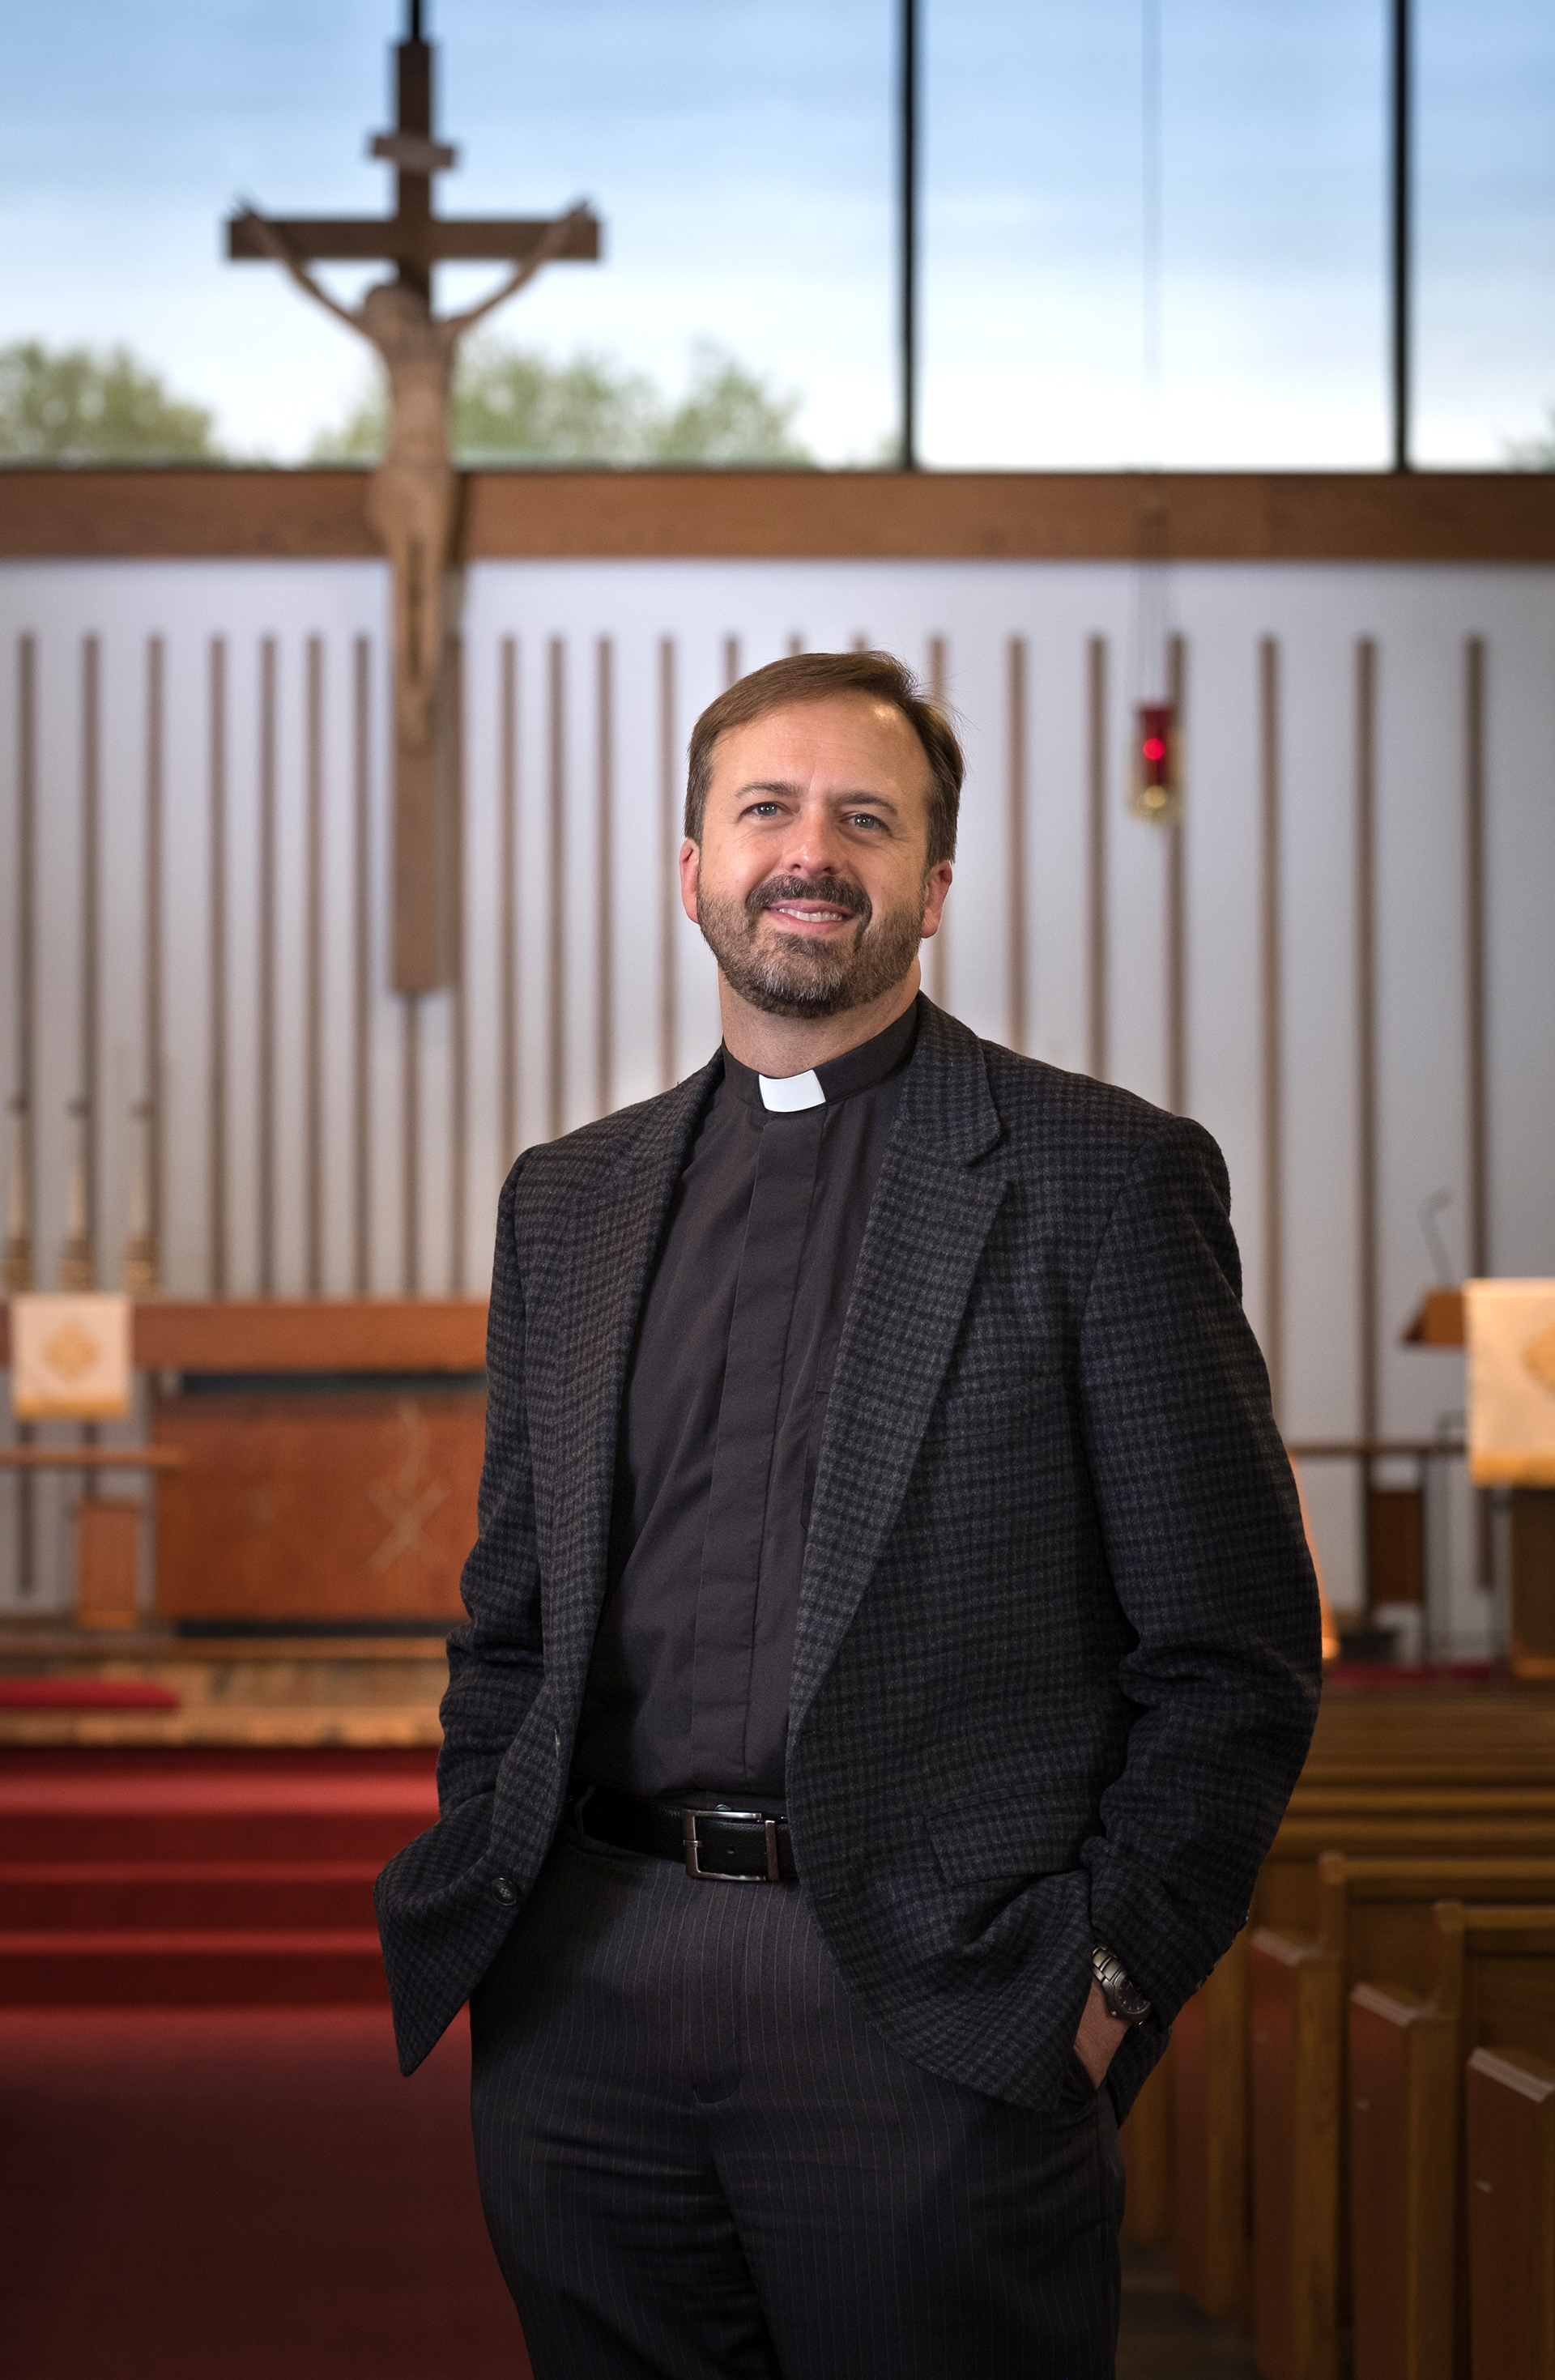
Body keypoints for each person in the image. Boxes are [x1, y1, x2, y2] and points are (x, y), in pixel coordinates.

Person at [375, 648, 1322, 2379]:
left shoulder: (1099, 1179)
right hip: (585, 1989)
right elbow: (508, 1614)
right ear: (693, 868)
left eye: (865, 818)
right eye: (766, 809)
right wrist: (498, 1906)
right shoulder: (567, 1202)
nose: (812, 850)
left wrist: (1098, 1991)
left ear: (934, 887)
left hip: (925, 2006)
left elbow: (1238, 1657)